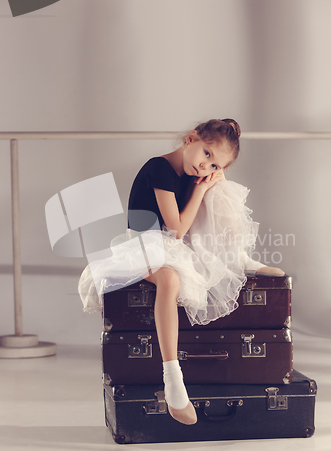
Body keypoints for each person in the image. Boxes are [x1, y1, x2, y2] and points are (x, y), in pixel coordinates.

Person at [78, 118, 284, 426]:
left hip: (173, 243)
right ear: (190, 139)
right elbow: (175, 230)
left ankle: (237, 257)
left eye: (214, 163)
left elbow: (183, 229)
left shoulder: (196, 171)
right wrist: (200, 191)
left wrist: (214, 179)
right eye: (206, 154)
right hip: (144, 244)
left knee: (220, 186)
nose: (206, 167)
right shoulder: (159, 168)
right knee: (170, 278)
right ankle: (173, 378)